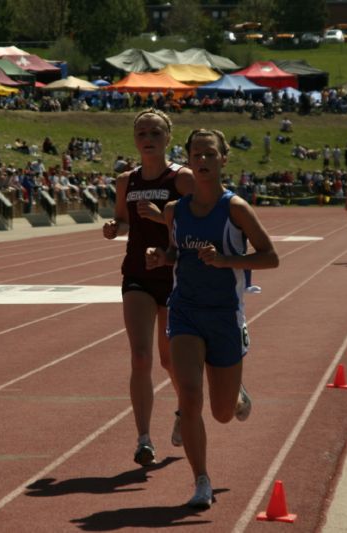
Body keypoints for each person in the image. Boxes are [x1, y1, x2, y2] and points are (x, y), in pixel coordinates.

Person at [145, 128, 279, 509]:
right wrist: (162, 257)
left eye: (209, 154)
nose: (202, 161)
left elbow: (270, 257)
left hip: (224, 315)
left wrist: (225, 260)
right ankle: (201, 480)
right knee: (189, 396)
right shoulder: (175, 210)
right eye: (196, 155)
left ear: (224, 159)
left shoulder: (235, 209)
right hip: (185, 310)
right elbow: (178, 253)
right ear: (187, 160)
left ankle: (235, 393)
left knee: (221, 413)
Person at [102, 108, 194, 467]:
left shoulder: (182, 179)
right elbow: (125, 222)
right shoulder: (127, 181)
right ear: (134, 139)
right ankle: (144, 439)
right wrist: (115, 227)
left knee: (170, 359)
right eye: (142, 133)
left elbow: (196, 226)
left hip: (174, 276)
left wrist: (166, 235)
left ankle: (184, 411)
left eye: (155, 133)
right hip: (138, 273)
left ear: (168, 138)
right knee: (141, 357)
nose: (148, 139)